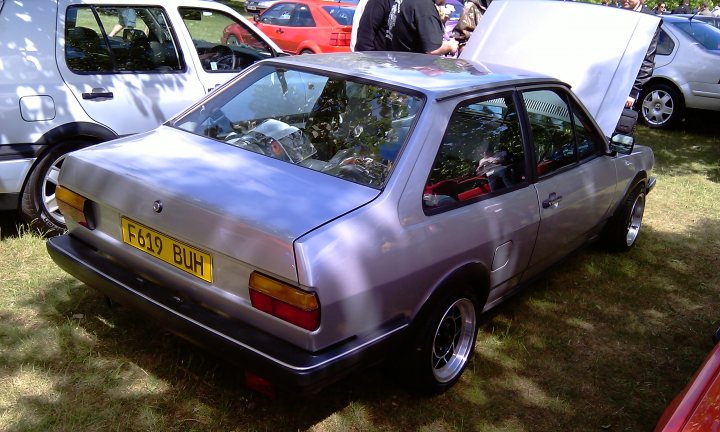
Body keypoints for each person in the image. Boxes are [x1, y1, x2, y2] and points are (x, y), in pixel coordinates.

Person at [623, 0, 661, 110]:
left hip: (628, 85)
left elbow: (648, 60)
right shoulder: (615, 13)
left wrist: (633, 93)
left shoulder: (650, 20)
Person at [386, 0, 459, 55]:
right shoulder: (425, 6)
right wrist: (450, 46)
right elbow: (433, 49)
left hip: (396, 62)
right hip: (412, 68)